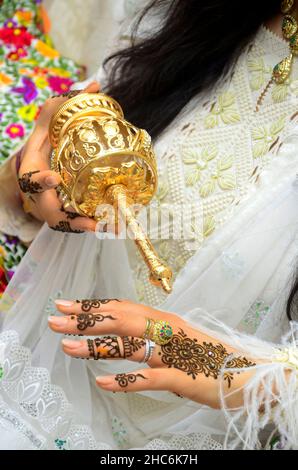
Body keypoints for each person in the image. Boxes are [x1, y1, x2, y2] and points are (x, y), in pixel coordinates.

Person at [0, 0, 298, 450]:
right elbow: (25, 188)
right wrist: (33, 174)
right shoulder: (205, 17)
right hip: (42, 369)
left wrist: (255, 378)